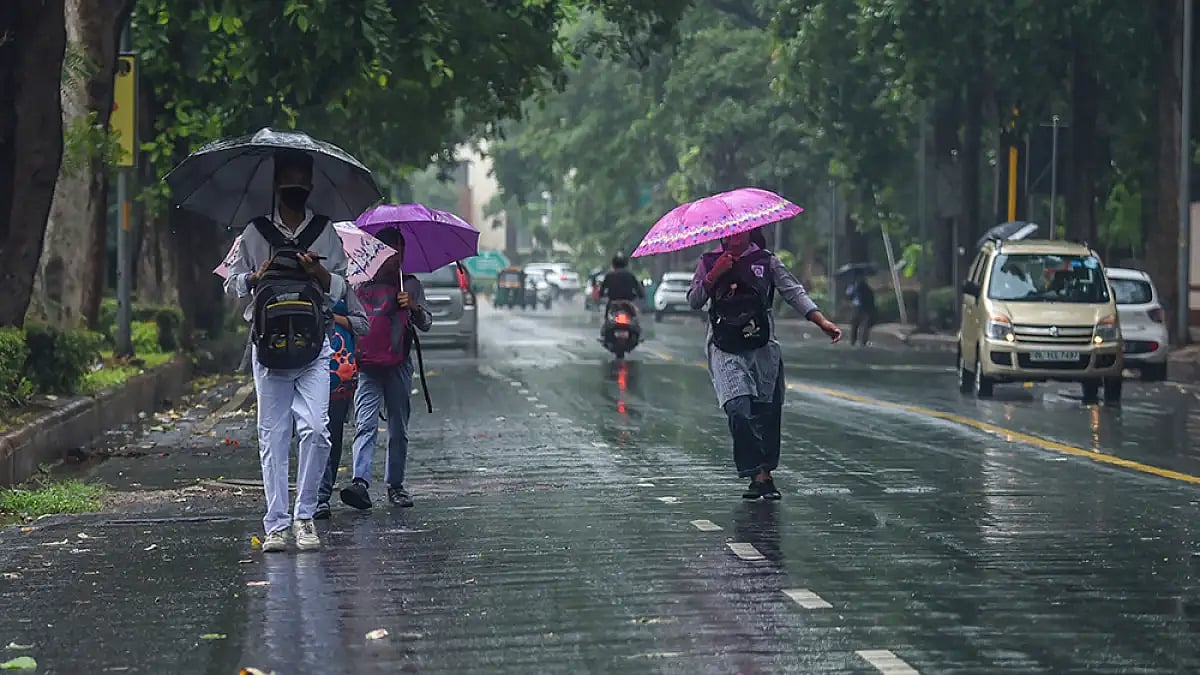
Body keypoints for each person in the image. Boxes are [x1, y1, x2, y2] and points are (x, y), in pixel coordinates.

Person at [223, 149, 349, 552]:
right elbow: (231, 283)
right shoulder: (254, 233)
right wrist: (255, 276)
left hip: (315, 348)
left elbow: (344, 288)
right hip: (269, 350)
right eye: (288, 181)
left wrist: (320, 273)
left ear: (309, 186)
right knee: (273, 437)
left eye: (301, 182)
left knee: (316, 430)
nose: (295, 188)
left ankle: (305, 516)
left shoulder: (326, 233)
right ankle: (276, 524)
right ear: (277, 186)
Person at [687, 229, 841, 500]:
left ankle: (764, 476)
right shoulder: (709, 261)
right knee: (738, 409)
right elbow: (694, 300)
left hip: (762, 347)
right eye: (729, 235)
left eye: (740, 234)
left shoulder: (766, 261)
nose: (734, 239)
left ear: (750, 232)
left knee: (767, 412)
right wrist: (715, 274)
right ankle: (753, 469)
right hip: (725, 348)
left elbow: (794, 292)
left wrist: (821, 321)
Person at [340, 230, 433, 510]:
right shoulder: (358, 283)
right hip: (367, 364)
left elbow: (426, 323)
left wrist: (413, 307)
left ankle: (396, 485)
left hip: (399, 363)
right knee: (365, 424)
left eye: (399, 252)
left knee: (397, 427)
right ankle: (360, 482)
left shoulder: (411, 285)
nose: (394, 258)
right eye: (389, 251)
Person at [315, 294, 369, 520]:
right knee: (310, 431)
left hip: (339, 373)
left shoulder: (342, 287)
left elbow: (362, 325)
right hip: (303, 366)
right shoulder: (293, 283)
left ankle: (322, 495)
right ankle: (314, 495)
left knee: (332, 432)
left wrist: (335, 318)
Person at [846, 275, 876, 346]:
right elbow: (848, 296)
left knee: (862, 326)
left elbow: (868, 298)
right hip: (859, 308)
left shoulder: (864, 288)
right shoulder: (853, 287)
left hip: (863, 308)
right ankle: (856, 342)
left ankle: (860, 342)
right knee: (856, 326)